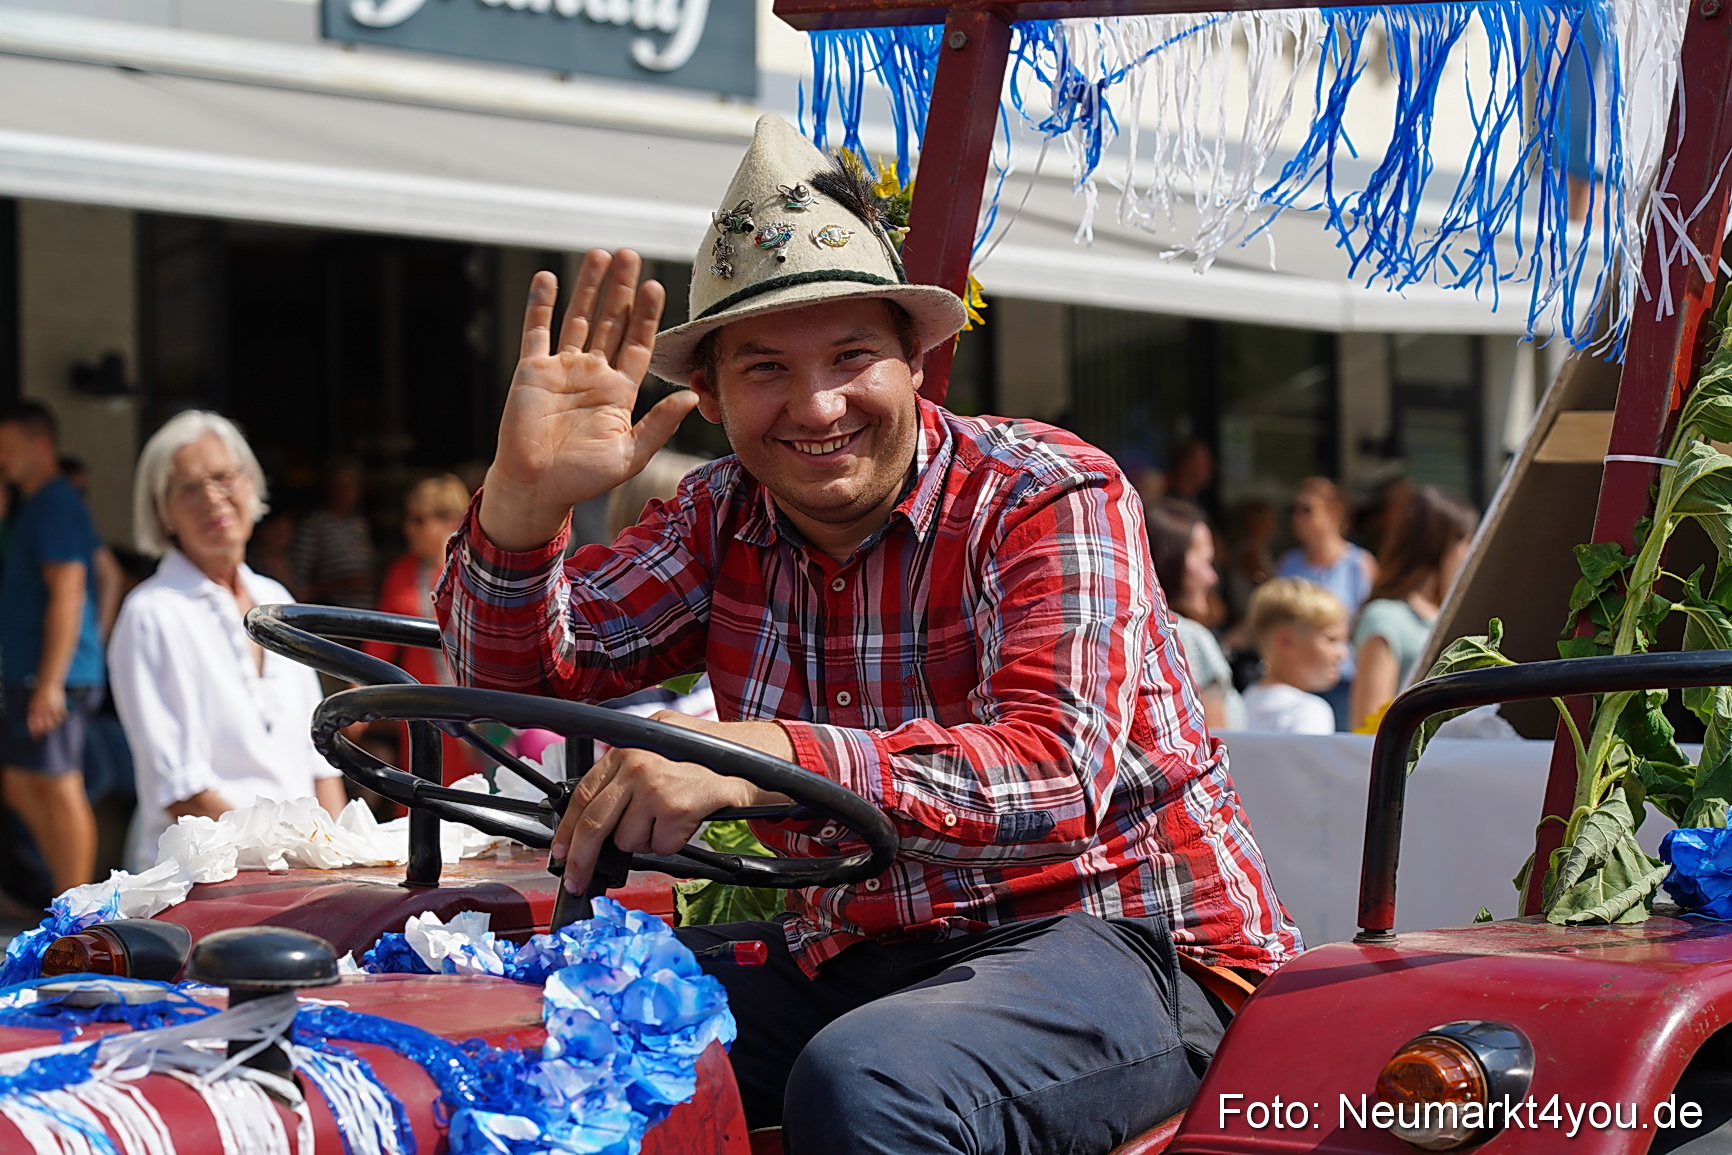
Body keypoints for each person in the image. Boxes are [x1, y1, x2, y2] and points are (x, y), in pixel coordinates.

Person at [435, 115, 1298, 1155]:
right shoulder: (721, 514)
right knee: (543, 1032)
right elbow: (524, 677)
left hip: (1132, 945)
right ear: (707, 396)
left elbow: (1055, 770)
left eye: (852, 355)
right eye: (764, 369)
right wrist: (523, 509)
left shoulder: (1043, 493)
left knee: (871, 1084)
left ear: (914, 362)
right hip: (862, 949)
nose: (817, 404)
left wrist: (765, 758)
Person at [108, 411, 347, 869]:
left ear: (251, 483)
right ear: (163, 512)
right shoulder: (151, 613)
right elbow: (180, 791)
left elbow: (319, 760)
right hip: (202, 880)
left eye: (223, 478)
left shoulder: (275, 599)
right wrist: (294, 854)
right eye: (189, 489)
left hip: (303, 873)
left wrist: (340, 864)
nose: (212, 499)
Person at [0, 402, 103, 892]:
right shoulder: (36, 504)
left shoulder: (56, 502)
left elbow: (69, 587)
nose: (2, 458)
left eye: (9, 448)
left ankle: (81, 912)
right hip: (34, 673)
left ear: (41, 447)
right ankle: (65, 892)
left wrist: (51, 681)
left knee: (60, 784)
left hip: (55, 676)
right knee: (20, 783)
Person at [364, 474, 477, 783]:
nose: (408, 529)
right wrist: (356, 694)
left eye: (418, 519)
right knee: (421, 807)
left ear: (450, 520)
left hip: (475, 718)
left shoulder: (476, 571)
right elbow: (380, 646)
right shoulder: (401, 571)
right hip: (421, 718)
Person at [1347, 486, 1478, 732]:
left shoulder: (1451, 614)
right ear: (1443, 546)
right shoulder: (1385, 618)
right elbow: (1368, 727)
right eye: (1469, 542)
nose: (1471, 554)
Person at [1275, 477, 1375, 729]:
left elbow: (1369, 625)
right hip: (1297, 681)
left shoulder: (1359, 564)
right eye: (1293, 510)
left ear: (1334, 513)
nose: (1297, 517)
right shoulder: (1289, 563)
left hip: (1342, 680)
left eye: (1306, 510)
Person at [1145, 497, 1246, 732]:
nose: (1212, 577)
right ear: (1170, 562)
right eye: (1206, 561)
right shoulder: (1190, 637)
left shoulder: (1123, 630)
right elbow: (1218, 741)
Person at [1241, 578, 1349, 735]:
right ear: (1286, 642)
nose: (1343, 654)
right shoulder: (1309, 711)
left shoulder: (1241, 704)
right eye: (1331, 640)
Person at [290, 458, 376, 608]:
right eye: (340, 486)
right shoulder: (315, 525)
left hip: (365, 615)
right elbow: (298, 586)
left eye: (351, 486)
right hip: (335, 617)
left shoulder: (358, 525)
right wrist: (343, 583)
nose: (345, 492)